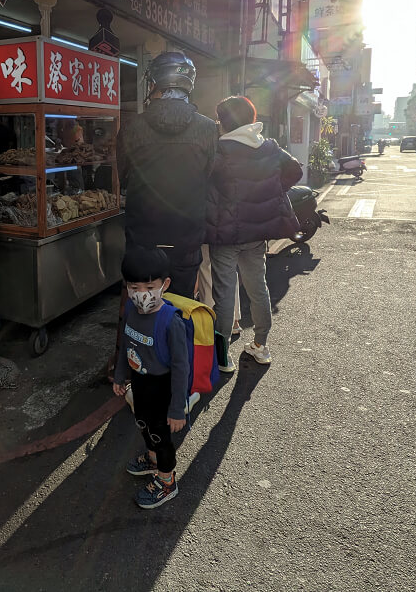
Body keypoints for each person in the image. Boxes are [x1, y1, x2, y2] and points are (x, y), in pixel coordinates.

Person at [206, 96, 303, 368]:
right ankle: (261, 345)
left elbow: (203, 182)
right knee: (258, 287)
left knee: (224, 294)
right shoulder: (268, 147)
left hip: (225, 234)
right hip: (257, 233)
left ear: (224, 122)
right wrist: (269, 190)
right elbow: (294, 171)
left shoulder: (219, 149)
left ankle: (222, 355)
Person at [116, 51, 217, 297]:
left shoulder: (131, 127)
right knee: (181, 305)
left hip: (142, 233)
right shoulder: (208, 128)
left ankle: (141, 337)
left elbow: (123, 176)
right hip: (187, 234)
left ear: (154, 83)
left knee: (143, 302)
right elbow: (209, 174)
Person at [113, 246, 190, 509]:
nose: (141, 294)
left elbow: (182, 368)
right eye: (134, 287)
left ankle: (167, 481)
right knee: (143, 425)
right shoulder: (131, 312)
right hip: (141, 385)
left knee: (161, 436)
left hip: (163, 389)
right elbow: (126, 346)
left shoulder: (171, 322)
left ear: (164, 284)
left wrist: (178, 408)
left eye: (149, 287)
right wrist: (120, 376)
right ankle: (153, 459)